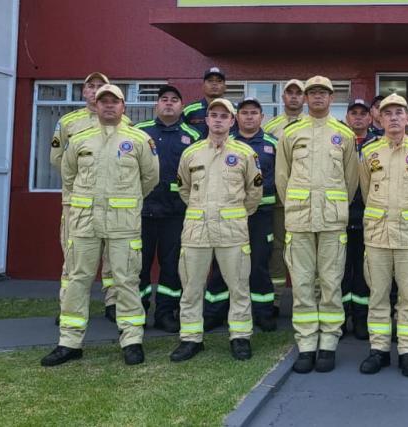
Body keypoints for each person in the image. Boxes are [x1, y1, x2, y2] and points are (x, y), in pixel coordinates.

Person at [41, 84, 159, 366]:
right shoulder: (80, 139)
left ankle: (131, 340)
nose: (108, 105)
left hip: (123, 223)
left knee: (126, 281)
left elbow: (150, 179)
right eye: (103, 100)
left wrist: (126, 200)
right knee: (77, 280)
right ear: (96, 104)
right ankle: (69, 342)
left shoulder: (140, 140)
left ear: (123, 106)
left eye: (114, 101)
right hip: (84, 222)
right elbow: (68, 176)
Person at [275, 76, 358, 374]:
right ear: (306, 98)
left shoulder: (344, 134)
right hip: (299, 219)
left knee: (331, 282)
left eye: (324, 93)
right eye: (313, 93)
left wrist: (334, 206)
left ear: (332, 98)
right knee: (302, 283)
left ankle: (328, 344)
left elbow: (351, 182)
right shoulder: (291, 133)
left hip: (333, 220)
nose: (318, 97)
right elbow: (282, 177)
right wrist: (297, 205)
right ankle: (307, 344)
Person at [169, 98, 261, 362]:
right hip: (197, 231)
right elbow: (184, 189)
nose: (219, 120)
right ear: (207, 120)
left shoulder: (245, 154)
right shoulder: (191, 153)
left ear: (232, 121)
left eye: (224, 116)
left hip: (232, 230)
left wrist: (236, 214)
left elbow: (253, 192)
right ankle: (191, 339)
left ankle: (240, 337)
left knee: (239, 286)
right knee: (191, 287)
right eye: (214, 115)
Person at [357, 94, 408, 377]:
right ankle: (378, 350)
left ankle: (407, 352)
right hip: (377, 235)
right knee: (378, 295)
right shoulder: (369, 152)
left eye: (398, 112)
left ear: (407, 118)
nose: (393, 117)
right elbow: (366, 191)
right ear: (379, 117)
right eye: (387, 112)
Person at [50, 72, 123, 323]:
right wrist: (81, 187)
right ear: (84, 92)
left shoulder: (125, 126)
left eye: (100, 86)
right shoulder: (69, 122)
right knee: (74, 256)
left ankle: (112, 302)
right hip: (77, 203)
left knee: (113, 257)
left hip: (114, 204)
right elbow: (59, 161)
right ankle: (68, 305)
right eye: (90, 86)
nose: (94, 91)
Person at [203, 97, 278, 333]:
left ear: (261, 117)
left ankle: (263, 313)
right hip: (228, 216)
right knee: (221, 265)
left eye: (254, 113)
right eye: (244, 112)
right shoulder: (226, 142)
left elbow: (280, 176)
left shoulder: (272, 143)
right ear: (237, 117)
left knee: (258, 265)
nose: (249, 117)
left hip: (261, 215)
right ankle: (215, 311)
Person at [134, 85, 200, 333]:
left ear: (181, 107)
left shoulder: (192, 136)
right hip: (143, 211)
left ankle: (165, 312)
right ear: (156, 105)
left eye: (174, 100)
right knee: (138, 265)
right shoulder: (139, 133)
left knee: (171, 266)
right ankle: (137, 312)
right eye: (164, 99)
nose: (169, 103)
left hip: (176, 213)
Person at [263, 79, 306, 318]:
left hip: (305, 202)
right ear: (282, 97)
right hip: (279, 202)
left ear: (304, 98)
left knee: (304, 251)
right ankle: (277, 298)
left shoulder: (312, 126)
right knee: (278, 250)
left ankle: (308, 299)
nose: (293, 97)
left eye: (298, 93)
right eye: (289, 93)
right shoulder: (271, 127)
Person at [343, 98, 375, 339]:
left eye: (362, 114)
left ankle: (362, 319)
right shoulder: (339, 142)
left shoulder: (378, 144)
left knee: (364, 273)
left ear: (370, 118)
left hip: (368, 217)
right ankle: (342, 318)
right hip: (341, 216)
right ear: (347, 118)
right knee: (341, 272)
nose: (358, 117)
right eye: (353, 113)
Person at [183, 67, 228, 138]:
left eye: (219, 81)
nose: (214, 84)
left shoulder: (233, 111)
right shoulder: (189, 110)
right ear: (203, 86)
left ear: (225, 87)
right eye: (210, 81)